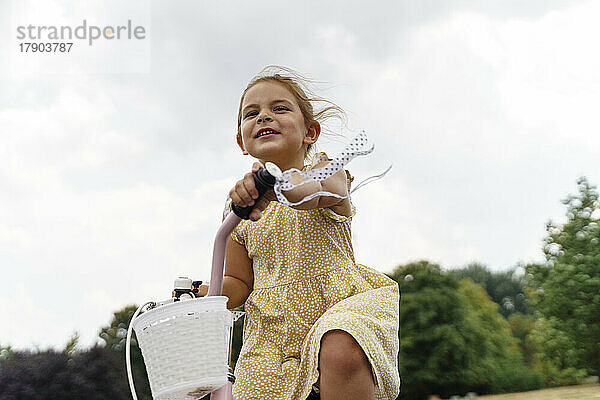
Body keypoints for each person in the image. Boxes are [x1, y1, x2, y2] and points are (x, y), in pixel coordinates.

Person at [196, 66, 400, 400]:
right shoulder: (238, 209)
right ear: (241, 142)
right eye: (252, 113)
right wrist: (204, 296)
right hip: (272, 335)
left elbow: (319, 192)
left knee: (340, 345)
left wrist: (280, 184)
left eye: (279, 109)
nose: (264, 117)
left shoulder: (326, 169)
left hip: (334, 307)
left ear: (310, 132)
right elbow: (238, 283)